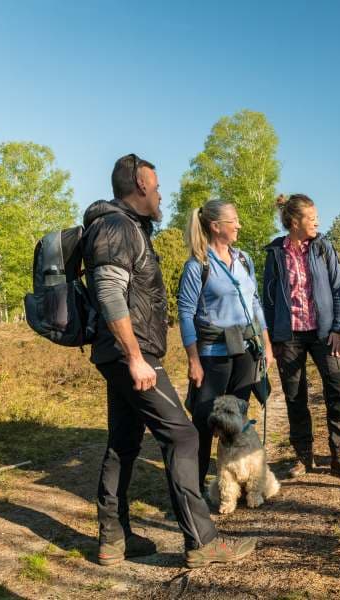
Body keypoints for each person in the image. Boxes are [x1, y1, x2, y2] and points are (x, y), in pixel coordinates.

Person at [82, 154, 256, 569]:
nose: (161, 195)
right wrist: (136, 358)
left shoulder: (125, 227)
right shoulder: (116, 227)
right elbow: (109, 294)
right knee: (183, 436)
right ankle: (202, 541)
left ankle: (113, 540)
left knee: (124, 443)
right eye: (157, 187)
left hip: (126, 354)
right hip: (132, 355)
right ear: (140, 185)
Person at [177, 199, 275, 494]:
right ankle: (193, 492)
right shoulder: (198, 265)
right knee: (205, 425)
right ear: (216, 226)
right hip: (212, 355)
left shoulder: (244, 258)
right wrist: (194, 360)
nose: (239, 225)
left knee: (236, 424)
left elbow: (256, 302)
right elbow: (185, 313)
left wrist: (266, 344)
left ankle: (234, 485)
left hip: (245, 351)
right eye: (234, 220)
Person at [262, 194, 340, 480]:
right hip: (288, 335)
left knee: (339, 385)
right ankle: (303, 456)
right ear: (295, 222)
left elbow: (338, 289)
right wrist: (272, 338)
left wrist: (338, 329)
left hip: (323, 333)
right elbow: (268, 299)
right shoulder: (275, 253)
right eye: (312, 216)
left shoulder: (323, 247)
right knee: (295, 397)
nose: (318, 221)